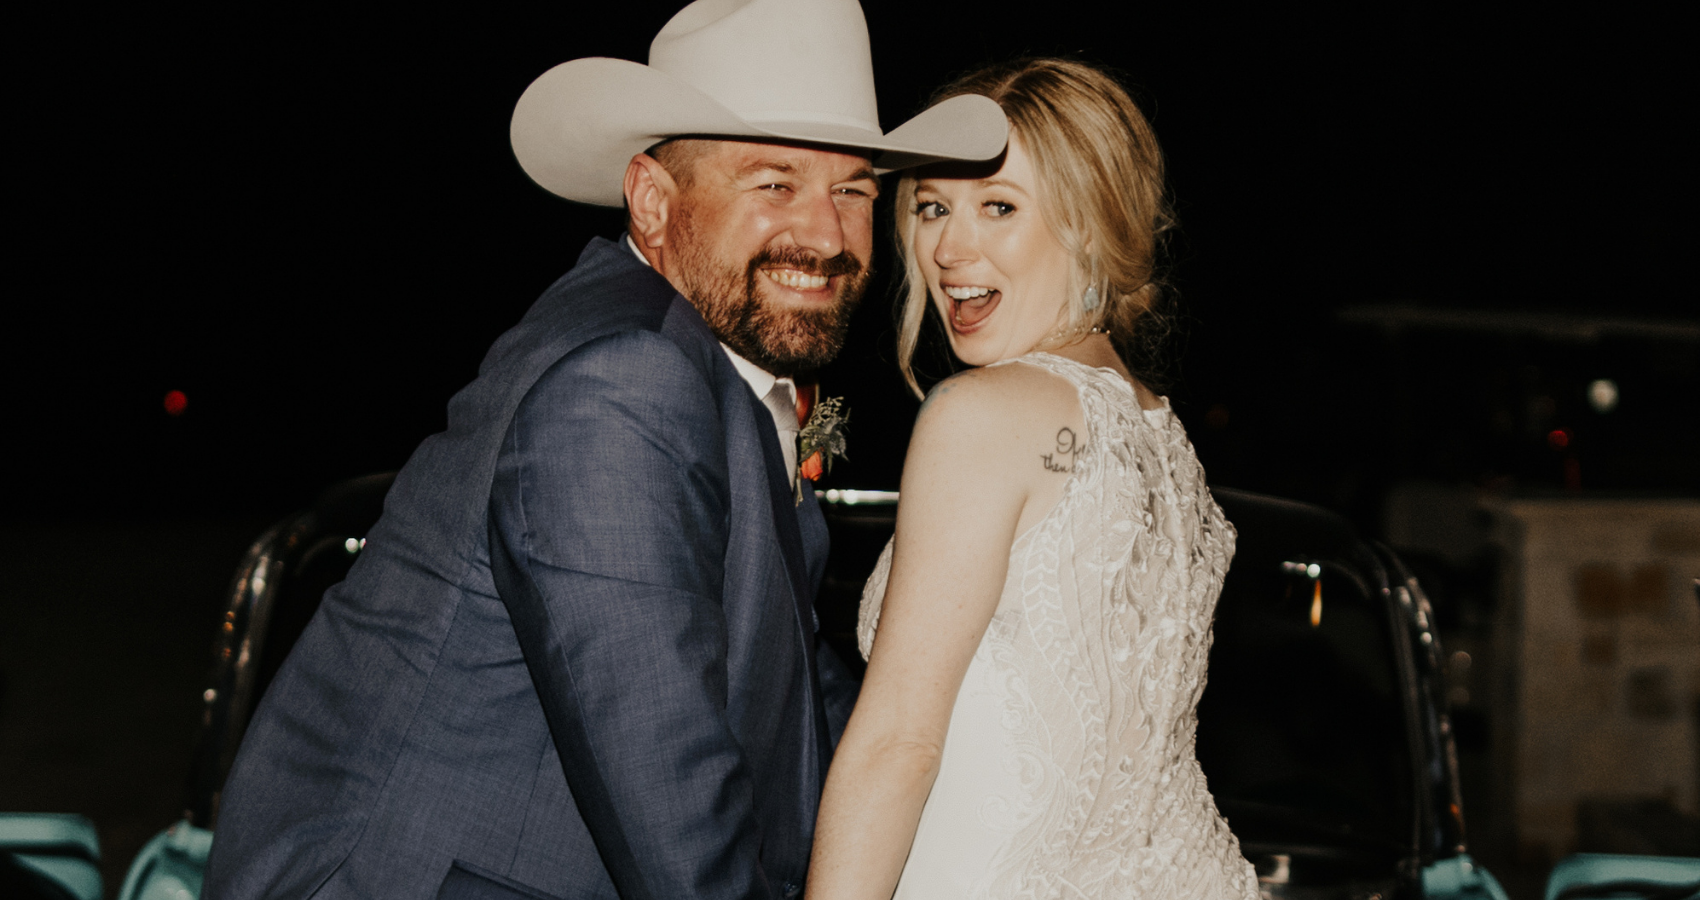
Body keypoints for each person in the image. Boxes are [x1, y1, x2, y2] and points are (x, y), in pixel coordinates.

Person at [201, 2, 1005, 898]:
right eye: (773, 184)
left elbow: (791, 675)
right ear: (654, 202)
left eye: (851, 190)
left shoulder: (705, 359)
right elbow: (673, 797)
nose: (824, 235)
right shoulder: (622, 382)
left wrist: (979, 807)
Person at [806, 58, 1260, 898]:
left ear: (1088, 226)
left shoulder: (981, 414)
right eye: (934, 207)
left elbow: (898, 745)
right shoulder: (1164, 436)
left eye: (999, 208)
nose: (949, 247)